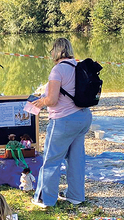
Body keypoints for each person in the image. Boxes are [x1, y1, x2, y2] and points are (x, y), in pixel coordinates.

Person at [31, 38, 92, 208]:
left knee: (51, 159)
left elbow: (52, 99)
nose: (51, 53)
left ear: (57, 51)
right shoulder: (78, 66)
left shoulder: (57, 70)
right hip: (83, 117)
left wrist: (41, 102)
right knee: (76, 159)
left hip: (64, 120)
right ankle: (76, 196)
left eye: (52, 50)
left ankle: (44, 199)